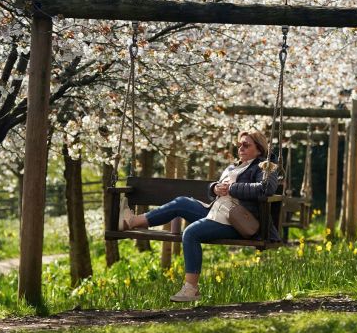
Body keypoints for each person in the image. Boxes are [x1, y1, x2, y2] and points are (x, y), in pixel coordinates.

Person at [119, 129, 279, 302]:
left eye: (246, 145)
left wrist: (232, 188)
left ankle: (191, 289)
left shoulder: (264, 165)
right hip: (218, 211)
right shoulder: (235, 166)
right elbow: (219, 189)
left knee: (191, 232)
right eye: (239, 144)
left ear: (259, 149)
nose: (241, 148)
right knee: (181, 202)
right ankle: (133, 221)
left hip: (238, 222)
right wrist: (214, 188)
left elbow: (265, 188)